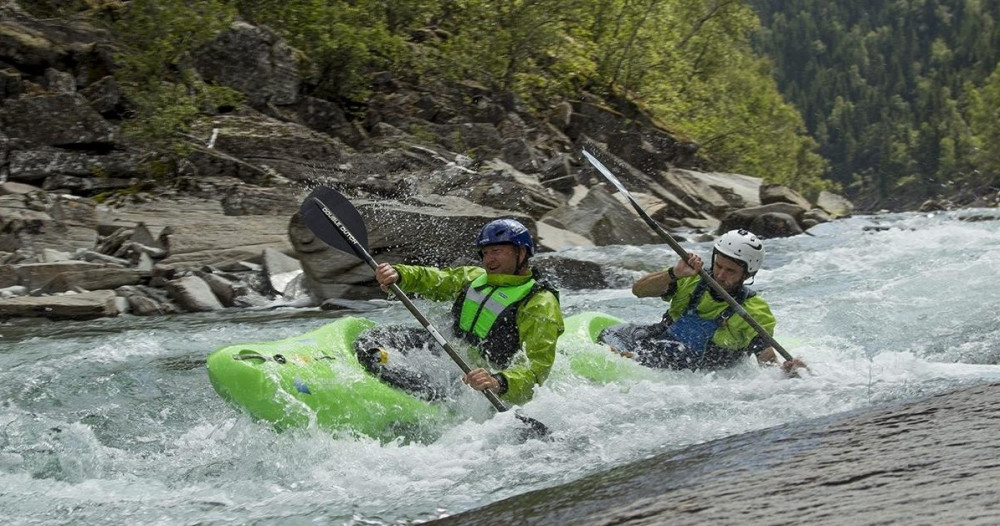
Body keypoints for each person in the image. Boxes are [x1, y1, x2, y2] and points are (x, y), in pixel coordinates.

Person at [355, 218, 564, 405]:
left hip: (483, 375)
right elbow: (435, 280)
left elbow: (537, 369)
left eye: (497, 251)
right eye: (485, 253)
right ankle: (413, 388)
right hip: (448, 352)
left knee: (451, 388)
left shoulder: (539, 303)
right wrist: (400, 274)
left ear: (521, 252)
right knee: (371, 342)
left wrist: (497, 382)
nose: (489, 260)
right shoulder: (474, 277)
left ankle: (431, 401)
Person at [599, 229, 806, 375]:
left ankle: (630, 361)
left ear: (747, 273)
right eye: (719, 265)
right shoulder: (690, 277)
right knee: (609, 334)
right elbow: (639, 290)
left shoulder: (755, 311)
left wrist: (785, 372)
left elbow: (767, 361)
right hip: (663, 344)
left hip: (700, 369)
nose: (721, 275)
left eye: (731, 271)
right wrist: (674, 273)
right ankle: (626, 359)